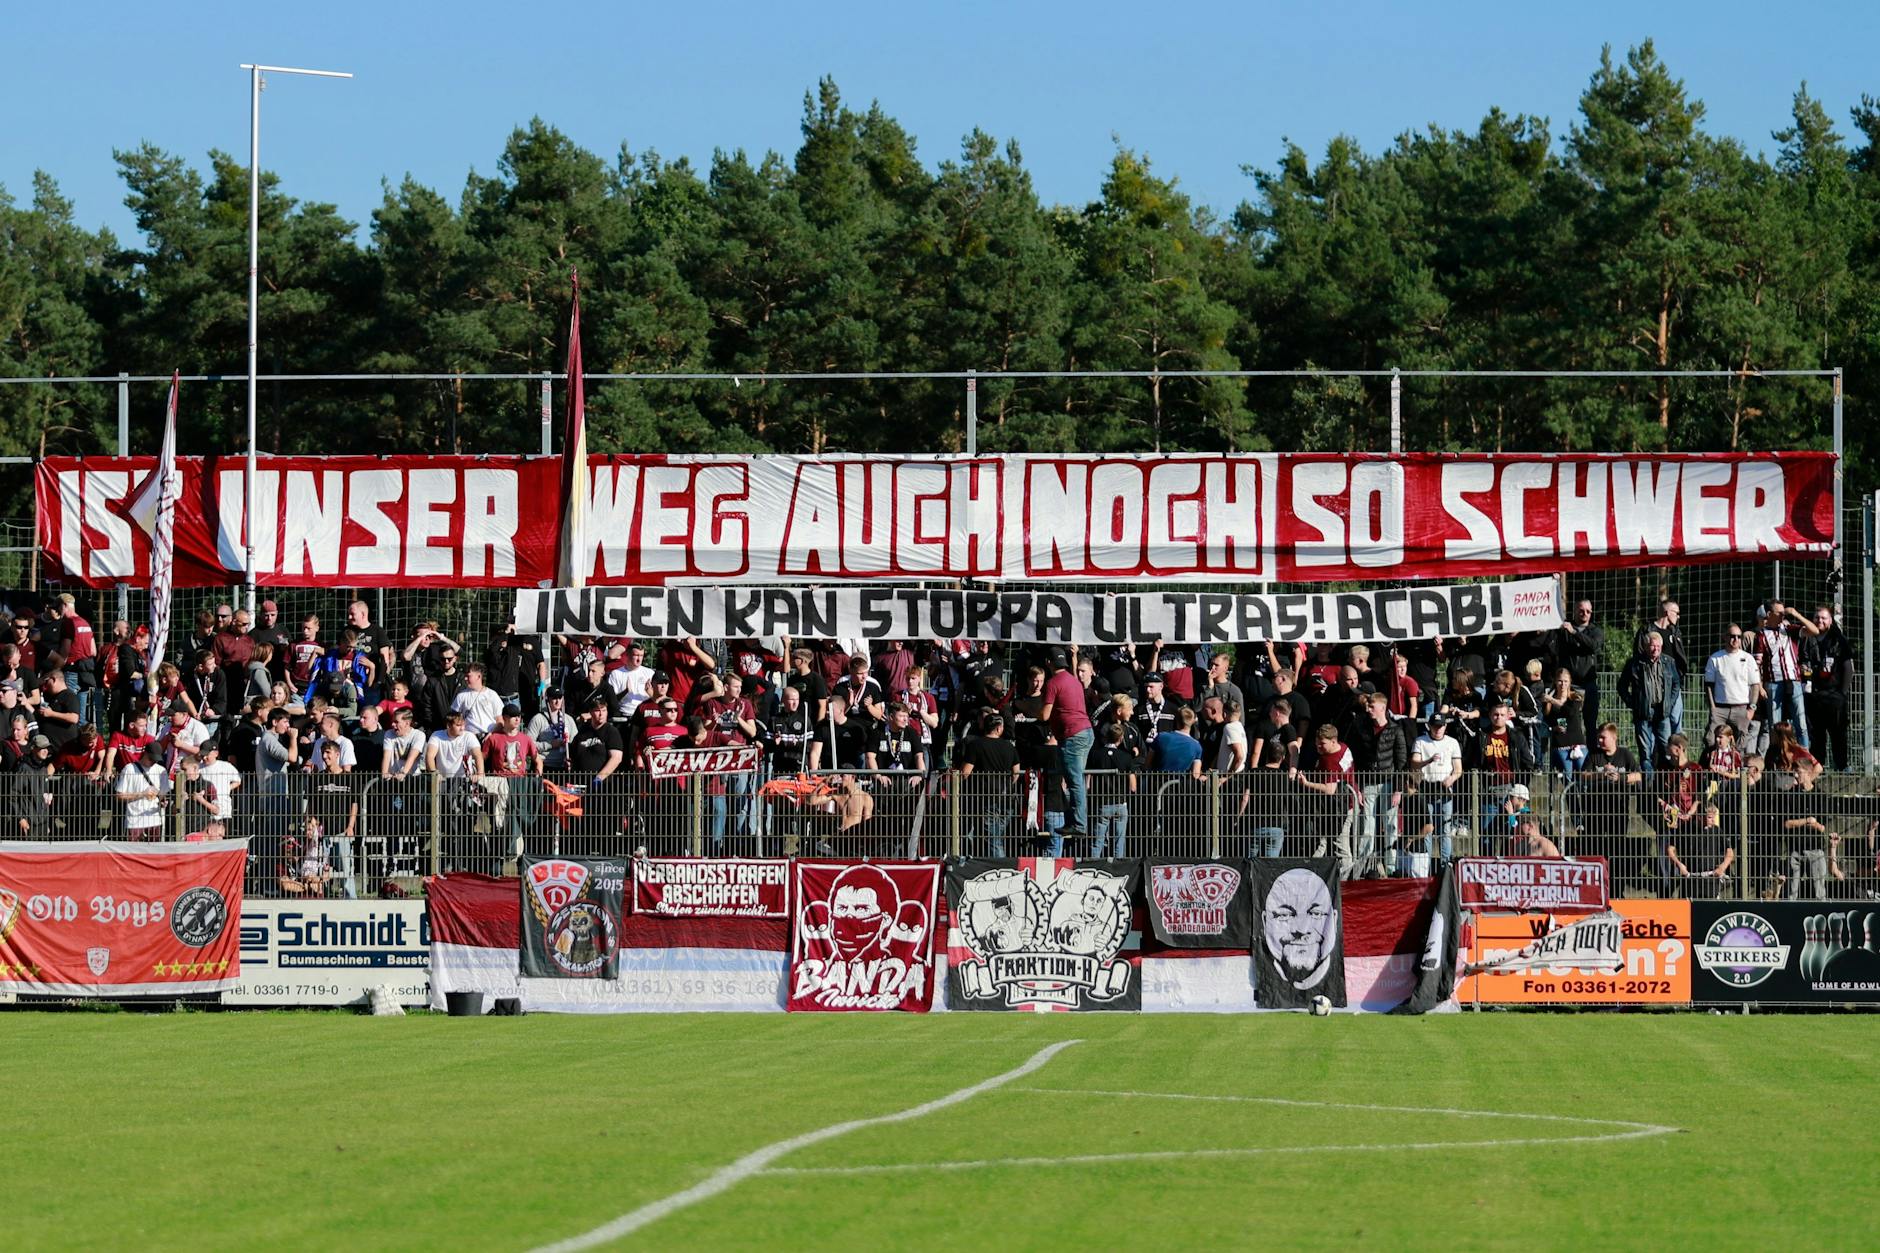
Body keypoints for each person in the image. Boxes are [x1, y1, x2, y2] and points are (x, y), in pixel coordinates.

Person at [1345, 691, 1407, 877]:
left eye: (1372, 706)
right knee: (1367, 828)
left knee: (1390, 827)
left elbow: (1401, 762)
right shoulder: (1361, 728)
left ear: (1382, 708)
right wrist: (1358, 788)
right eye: (1368, 705)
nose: (1369, 709)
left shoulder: (1396, 729)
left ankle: (1390, 868)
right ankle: (1362, 867)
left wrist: (1398, 789)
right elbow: (1354, 759)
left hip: (1389, 783)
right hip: (1368, 784)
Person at [1040, 650, 1094, 838]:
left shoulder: (1053, 683)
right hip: (1085, 731)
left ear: (1049, 663)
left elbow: (1044, 715)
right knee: (1074, 779)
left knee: (1075, 780)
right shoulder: (1073, 680)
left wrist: (1027, 710)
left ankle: (1079, 823)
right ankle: (1076, 820)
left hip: (1073, 735)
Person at [1754, 598, 1819, 750]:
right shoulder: (1761, 635)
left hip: (1794, 681)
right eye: (1780, 613)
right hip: (1773, 683)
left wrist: (1796, 614)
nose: (1783, 615)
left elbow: (1814, 630)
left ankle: (1804, 758)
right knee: (1774, 725)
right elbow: (1756, 664)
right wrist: (1759, 686)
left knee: (1800, 723)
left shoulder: (1790, 630)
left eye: (1785, 612)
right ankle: (1778, 758)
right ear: (1769, 614)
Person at [956, 712, 1021, 856]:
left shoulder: (975, 745)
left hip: (987, 798)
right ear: (999, 728)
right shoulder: (1009, 746)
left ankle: (998, 868)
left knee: (993, 840)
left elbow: (965, 772)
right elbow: (1016, 773)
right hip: (1007, 799)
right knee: (996, 838)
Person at [1618, 630, 1681, 775]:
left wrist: (1670, 703)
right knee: (1645, 753)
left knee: (1667, 750)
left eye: (1658, 647)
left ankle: (1666, 784)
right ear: (1646, 646)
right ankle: (1649, 788)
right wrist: (1632, 703)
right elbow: (1621, 686)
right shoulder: (1634, 663)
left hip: (1663, 712)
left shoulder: (1668, 662)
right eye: (1652, 646)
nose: (1655, 650)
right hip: (1643, 713)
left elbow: (1676, 684)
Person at [1408, 714, 1463, 871]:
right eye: (1435, 726)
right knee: (1428, 828)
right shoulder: (1420, 741)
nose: (1438, 729)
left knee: (1445, 829)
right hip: (1426, 788)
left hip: (1445, 790)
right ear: (1429, 726)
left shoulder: (1452, 743)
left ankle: (1446, 865)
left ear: (1445, 726)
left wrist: (1452, 778)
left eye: (1441, 726)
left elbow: (1458, 769)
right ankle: (1427, 865)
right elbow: (1414, 764)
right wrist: (1429, 761)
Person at [1802, 605, 1853, 771]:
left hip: (1834, 695)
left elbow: (1848, 667)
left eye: (1824, 618)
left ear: (1830, 620)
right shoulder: (1806, 638)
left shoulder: (1839, 640)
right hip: (1813, 695)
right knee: (1816, 735)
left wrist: (1842, 693)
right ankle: (1819, 768)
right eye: (1817, 617)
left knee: (1838, 733)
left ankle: (1842, 766)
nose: (1820, 621)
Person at [308, 740, 362, 896]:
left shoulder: (349, 778)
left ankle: (350, 899)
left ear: (337, 755)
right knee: (321, 868)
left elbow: (354, 804)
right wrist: (311, 824)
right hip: (323, 831)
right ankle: (322, 896)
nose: (325, 756)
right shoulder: (317, 778)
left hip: (342, 830)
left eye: (328, 753)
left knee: (346, 867)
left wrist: (350, 826)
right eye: (323, 753)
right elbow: (311, 804)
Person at [1704, 624, 1763, 747]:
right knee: (1711, 740)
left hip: (1741, 708)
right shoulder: (1715, 658)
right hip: (1719, 709)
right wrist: (1713, 708)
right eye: (1732, 636)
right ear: (1724, 637)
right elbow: (1709, 685)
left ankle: (1736, 764)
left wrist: (1751, 708)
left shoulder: (1748, 659)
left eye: (1739, 636)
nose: (1736, 639)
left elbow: (1755, 686)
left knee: (1741, 743)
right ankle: (1712, 764)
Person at [1551, 599, 1605, 731]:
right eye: (1581, 610)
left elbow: (1594, 646)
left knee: (1590, 723)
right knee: (1565, 720)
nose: (1584, 613)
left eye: (1588, 611)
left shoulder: (1596, 631)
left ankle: (1591, 750)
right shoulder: (1563, 630)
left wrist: (1575, 632)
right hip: (1568, 685)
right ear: (1575, 611)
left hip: (1588, 684)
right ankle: (1563, 749)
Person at [1086, 721, 1137, 857]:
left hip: (1102, 802)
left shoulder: (1095, 755)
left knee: (1097, 841)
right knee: (1119, 842)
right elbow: (1133, 786)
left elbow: (1088, 782)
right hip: (1120, 802)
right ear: (1121, 738)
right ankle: (1117, 871)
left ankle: (1094, 867)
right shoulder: (1126, 757)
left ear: (1106, 736)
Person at [1543, 667, 1588, 781]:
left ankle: (1584, 799)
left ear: (1570, 682)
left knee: (1584, 777)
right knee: (1568, 779)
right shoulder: (1548, 703)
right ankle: (1570, 799)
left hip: (1578, 744)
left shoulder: (1575, 698)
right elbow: (1546, 721)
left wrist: (1553, 700)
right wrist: (1554, 728)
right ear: (1555, 682)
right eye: (1560, 681)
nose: (1563, 684)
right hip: (1561, 745)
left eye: (1566, 681)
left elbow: (1571, 712)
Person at [114, 753, 167, 840]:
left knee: (154, 851)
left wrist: (163, 802)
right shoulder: (129, 769)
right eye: (151, 759)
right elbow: (119, 796)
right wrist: (142, 794)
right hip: (134, 821)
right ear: (145, 754)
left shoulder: (161, 770)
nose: (153, 762)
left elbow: (164, 795)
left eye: (156, 760)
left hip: (154, 820)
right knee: (132, 852)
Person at [527, 687, 576, 772]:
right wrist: (550, 745)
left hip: (563, 766)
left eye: (560, 698)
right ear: (547, 699)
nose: (558, 701)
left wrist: (570, 753)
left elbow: (575, 743)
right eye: (554, 698)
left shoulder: (569, 719)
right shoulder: (538, 719)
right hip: (544, 765)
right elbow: (528, 744)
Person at [1151, 705, 1204, 776]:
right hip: (1181, 785)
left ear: (1177, 720)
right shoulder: (1196, 746)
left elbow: (1148, 764)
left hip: (1158, 783)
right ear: (1193, 721)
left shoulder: (1161, 737)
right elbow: (1195, 774)